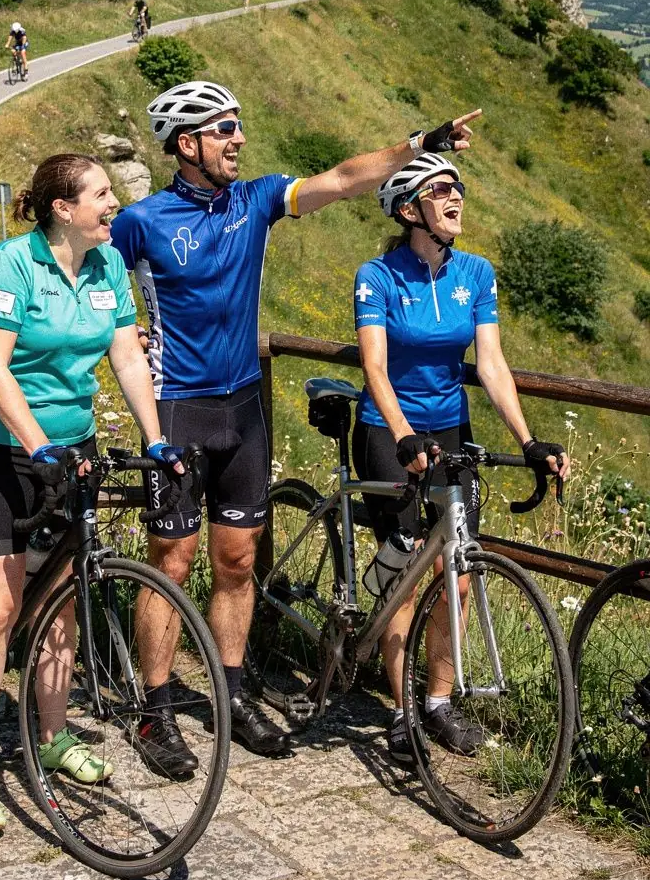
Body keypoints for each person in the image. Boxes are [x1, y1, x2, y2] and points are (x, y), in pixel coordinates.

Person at [110, 81, 481, 776]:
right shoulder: (141, 221)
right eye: (223, 130)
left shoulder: (254, 201)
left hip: (243, 407)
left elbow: (343, 180)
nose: (238, 140)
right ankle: (154, 710)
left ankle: (230, 689)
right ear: (186, 144)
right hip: (176, 406)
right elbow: (88, 277)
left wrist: (418, 146)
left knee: (238, 560)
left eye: (238, 127)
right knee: (173, 562)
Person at [0, 153, 183, 834]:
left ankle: (51, 737)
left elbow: (127, 356)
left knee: (59, 602)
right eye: (102, 194)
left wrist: (155, 438)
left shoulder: (108, 266)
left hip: (70, 447)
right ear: (63, 208)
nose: (115, 203)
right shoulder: (8, 265)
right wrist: (35, 447)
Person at [353, 152, 570, 762]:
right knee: (402, 574)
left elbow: (492, 365)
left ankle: (439, 702)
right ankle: (399, 712)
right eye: (441, 190)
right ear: (408, 208)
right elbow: (374, 367)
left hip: (451, 431)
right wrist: (402, 435)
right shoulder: (378, 274)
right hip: (387, 431)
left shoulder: (475, 272)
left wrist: (528, 440)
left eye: (459, 189)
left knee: (461, 570)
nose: (456, 199)